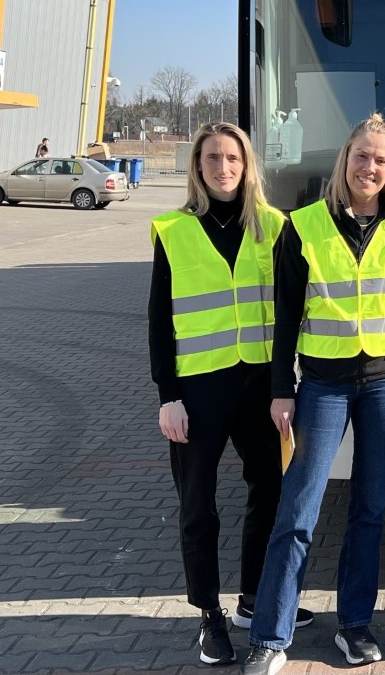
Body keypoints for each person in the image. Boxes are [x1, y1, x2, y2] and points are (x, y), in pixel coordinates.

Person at [242, 113, 385, 675]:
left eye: (381, 160)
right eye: (361, 156)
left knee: (369, 510)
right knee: (298, 509)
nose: (369, 167)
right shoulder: (301, 226)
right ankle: (271, 637)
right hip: (322, 384)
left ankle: (354, 625)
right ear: (344, 158)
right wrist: (283, 390)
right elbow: (285, 318)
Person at [148, 122, 307, 667]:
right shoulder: (173, 229)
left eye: (233, 158)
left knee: (270, 489)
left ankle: (253, 599)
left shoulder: (275, 225)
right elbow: (158, 320)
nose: (223, 167)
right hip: (197, 389)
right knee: (198, 505)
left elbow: (291, 309)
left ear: (247, 165)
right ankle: (209, 615)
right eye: (212, 157)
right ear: (197, 165)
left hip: (260, 384)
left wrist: (288, 382)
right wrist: (167, 395)